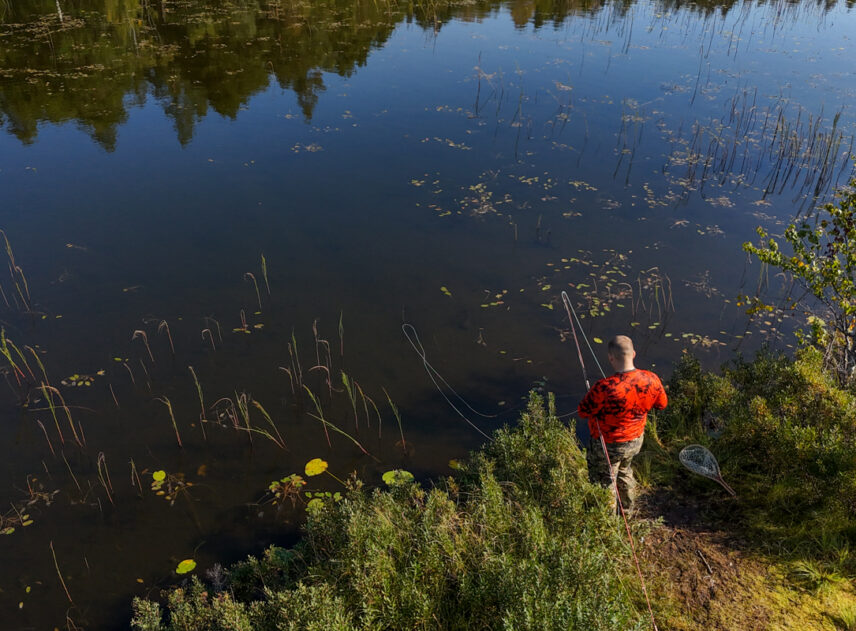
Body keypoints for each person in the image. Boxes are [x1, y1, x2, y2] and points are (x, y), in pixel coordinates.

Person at [577, 335, 667, 515]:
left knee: (606, 480)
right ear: (633, 353)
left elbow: (583, 412)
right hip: (635, 441)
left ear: (611, 358)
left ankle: (606, 520)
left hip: (609, 446)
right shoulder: (651, 379)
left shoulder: (604, 387)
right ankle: (628, 510)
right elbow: (661, 404)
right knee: (625, 470)